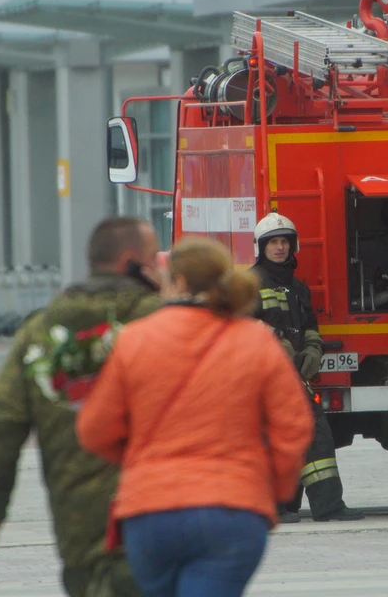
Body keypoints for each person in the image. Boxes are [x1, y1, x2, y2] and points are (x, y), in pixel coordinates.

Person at [76, 236, 314, 597]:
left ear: (181, 282)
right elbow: (293, 427)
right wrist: (275, 492)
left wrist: (138, 462)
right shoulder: (255, 341)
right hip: (232, 509)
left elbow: (94, 430)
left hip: (150, 512)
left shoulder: (134, 340)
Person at [0, 216, 163, 597]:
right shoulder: (161, 321)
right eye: (153, 257)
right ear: (131, 261)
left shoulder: (41, 331)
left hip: (79, 528)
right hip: (159, 514)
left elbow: (4, 423)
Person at [250, 212, 364, 523]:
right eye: (273, 242)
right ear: (261, 247)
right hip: (263, 377)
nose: (280, 247)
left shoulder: (298, 287)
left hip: (295, 377)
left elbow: (310, 325)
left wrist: (314, 349)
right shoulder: (248, 282)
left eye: (284, 242)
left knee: (317, 436)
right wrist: (278, 343)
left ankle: (328, 507)